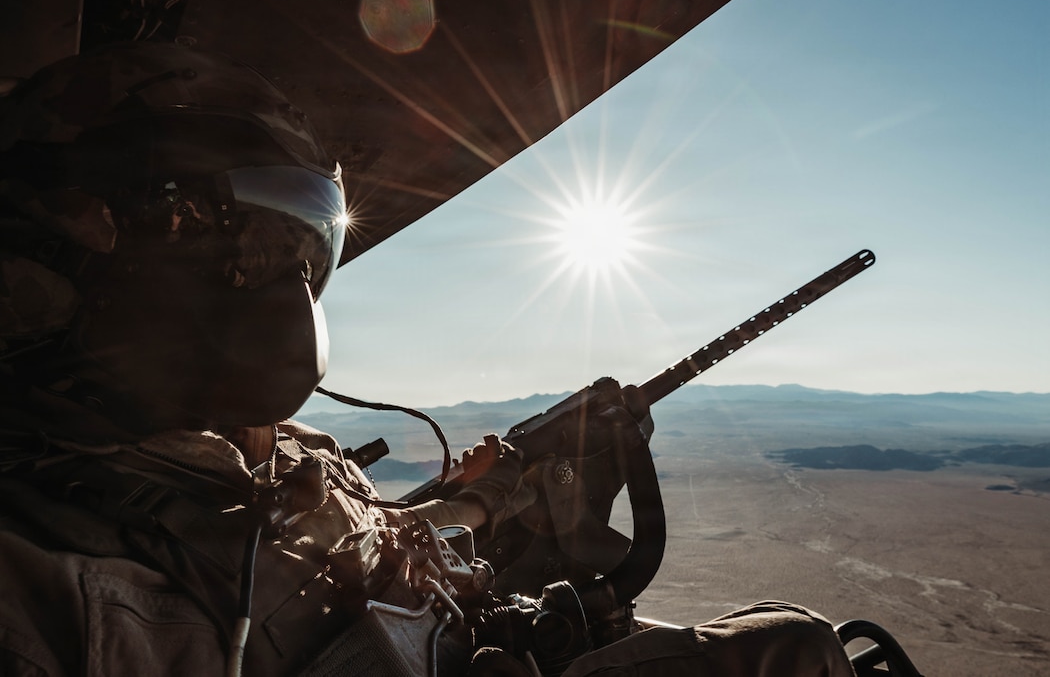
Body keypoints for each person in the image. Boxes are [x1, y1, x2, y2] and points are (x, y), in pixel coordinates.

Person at [0, 42, 855, 676]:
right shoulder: (37, 587)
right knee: (791, 656)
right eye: (248, 248)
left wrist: (484, 495)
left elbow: (378, 544)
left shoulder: (284, 454)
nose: (286, 290)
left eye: (302, 249)